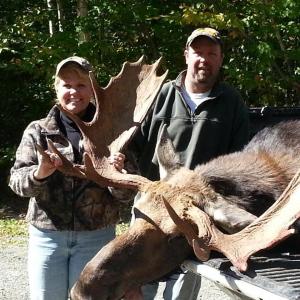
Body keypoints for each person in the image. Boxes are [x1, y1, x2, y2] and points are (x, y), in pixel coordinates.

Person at [128, 27, 250, 299]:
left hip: (194, 213)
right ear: (186, 56)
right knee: (136, 283)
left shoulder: (231, 102)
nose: (203, 59)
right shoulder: (159, 96)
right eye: (198, 52)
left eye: (212, 53)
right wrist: (119, 158)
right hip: (151, 206)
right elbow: (133, 146)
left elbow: (242, 158)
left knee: (181, 290)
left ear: (220, 59)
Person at [9, 56, 129, 300]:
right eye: (67, 85)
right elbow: (16, 182)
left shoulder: (113, 131)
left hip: (95, 238)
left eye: (81, 85)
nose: (74, 91)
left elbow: (128, 194)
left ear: (93, 89)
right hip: (48, 238)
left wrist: (117, 177)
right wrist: (39, 173)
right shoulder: (39, 131)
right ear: (56, 88)